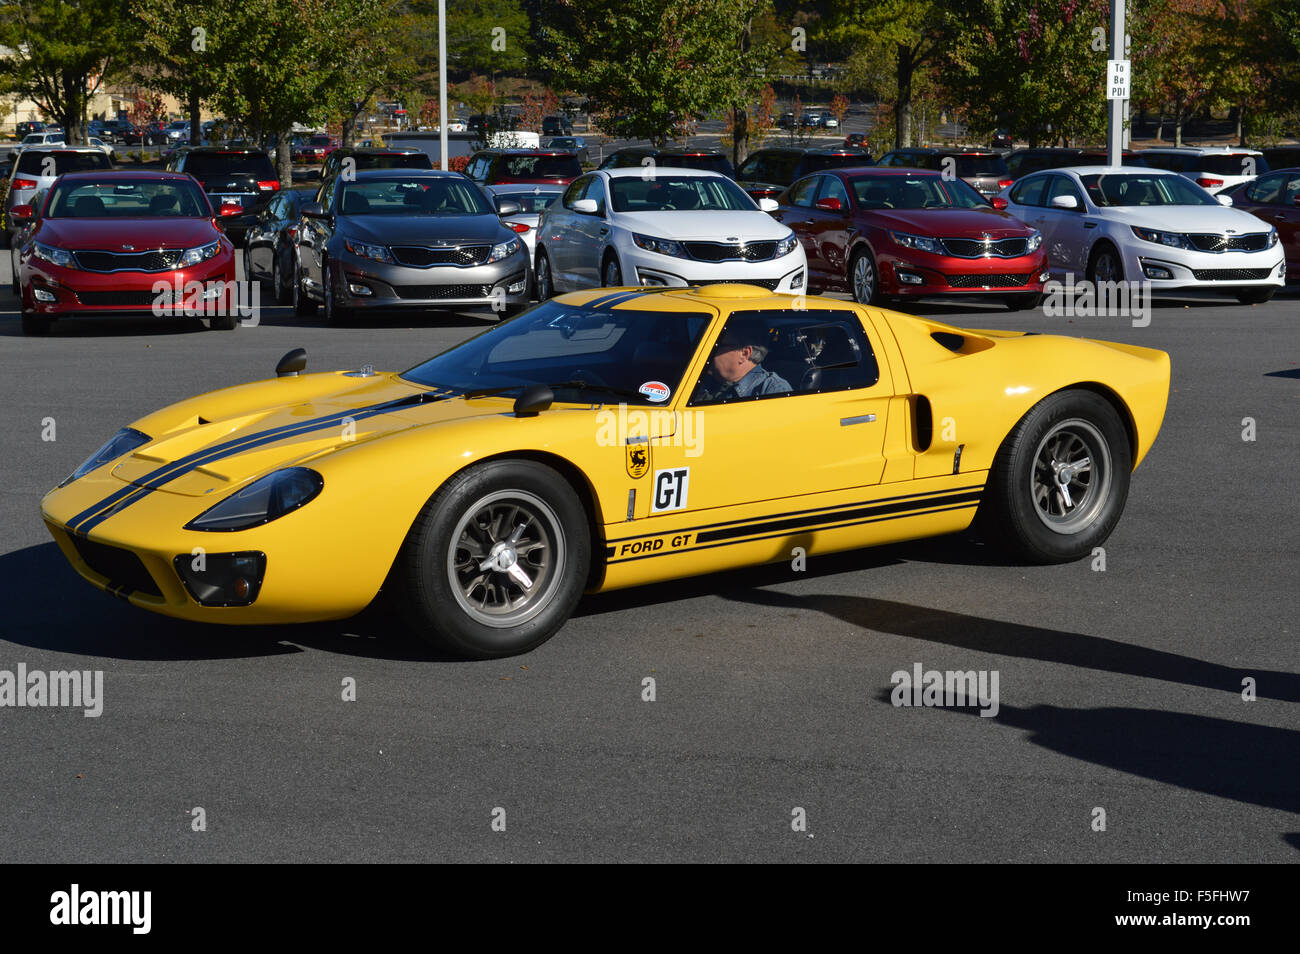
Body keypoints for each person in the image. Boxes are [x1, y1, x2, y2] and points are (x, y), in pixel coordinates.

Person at [693, 323, 791, 402]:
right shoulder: (703, 381)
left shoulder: (773, 391)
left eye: (718, 346)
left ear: (744, 353)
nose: (708, 351)